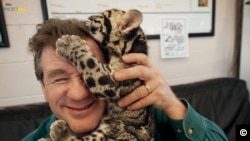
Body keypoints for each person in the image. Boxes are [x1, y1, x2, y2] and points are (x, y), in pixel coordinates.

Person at [22, 18, 228, 141]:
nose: (79, 94)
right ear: (43, 88)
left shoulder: (151, 117)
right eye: (60, 79)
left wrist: (173, 105)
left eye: (90, 73)